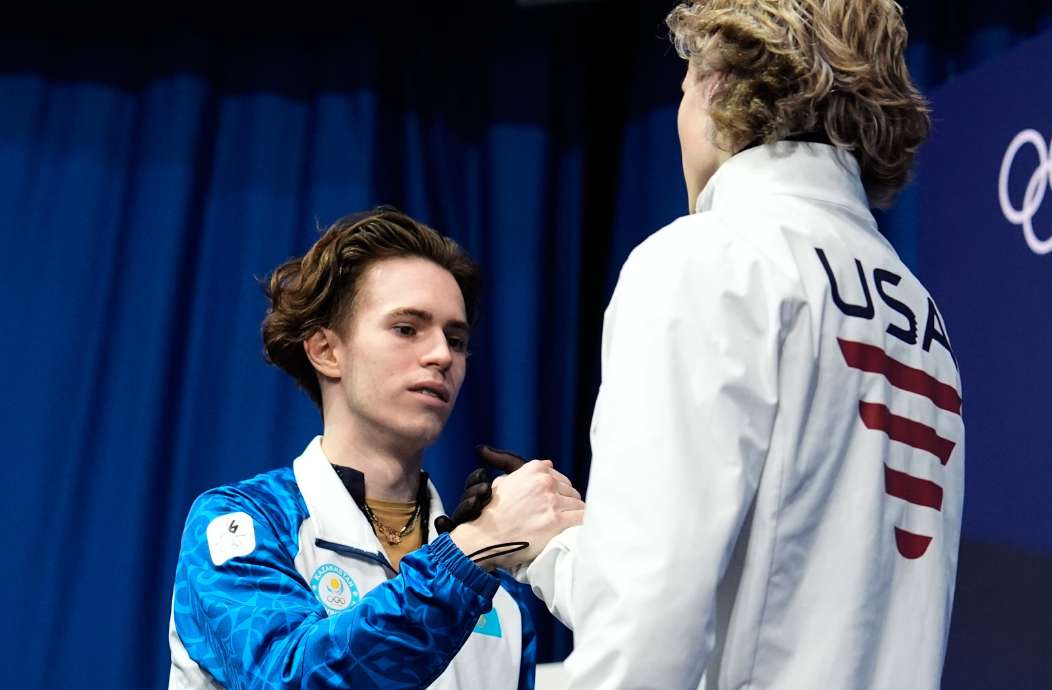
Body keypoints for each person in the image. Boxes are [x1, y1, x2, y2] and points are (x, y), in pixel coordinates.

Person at [519, 2, 965, 688]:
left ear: (720, 84)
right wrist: (559, 551)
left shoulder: (710, 260)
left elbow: (648, 636)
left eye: (683, 87)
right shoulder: (916, 310)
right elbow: (787, 595)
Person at [167, 207, 584, 690]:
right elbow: (295, 677)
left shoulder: (503, 602)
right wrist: (471, 551)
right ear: (326, 350)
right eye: (407, 329)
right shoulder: (243, 524)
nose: (441, 355)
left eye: (457, 338)